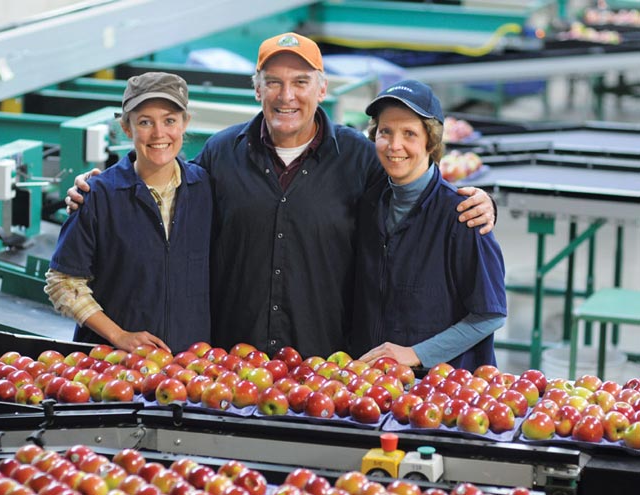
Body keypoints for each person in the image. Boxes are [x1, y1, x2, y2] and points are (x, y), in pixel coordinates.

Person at [66, 33, 496, 359]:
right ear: (257, 89)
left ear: (322, 89)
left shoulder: (360, 159)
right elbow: (164, 176)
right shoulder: (220, 152)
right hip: (232, 357)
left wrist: (478, 201)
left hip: (326, 359)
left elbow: (413, 196)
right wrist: (98, 186)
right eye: (273, 82)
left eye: (300, 82)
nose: (286, 95)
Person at [45, 72, 212, 353]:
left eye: (170, 120)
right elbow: (62, 282)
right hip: (113, 366)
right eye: (145, 122)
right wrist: (119, 336)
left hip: (189, 367)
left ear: (185, 123)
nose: (159, 133)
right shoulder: (98, 194)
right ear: (126, 128)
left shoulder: (206, 189)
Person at [353, 79, 507, 371]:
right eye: (385, 132)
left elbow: (490, 314)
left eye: (409, 133)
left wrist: (416, 354)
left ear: (431, 141)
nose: (394, 145)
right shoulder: (369, 204)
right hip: (380, 384)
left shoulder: (463, 213)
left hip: (447, 392)